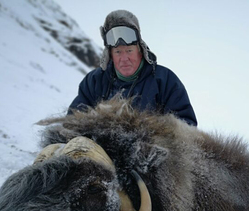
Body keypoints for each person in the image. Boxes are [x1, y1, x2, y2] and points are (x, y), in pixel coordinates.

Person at [68, 10, 197, 126]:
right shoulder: (94, 81)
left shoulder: (165, 80)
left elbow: (187, 126)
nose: (124, 58)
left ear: (140, 51)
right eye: (118, 52)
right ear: (110, 55)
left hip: (151, 151)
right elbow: (72, 123)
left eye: (129, 51)